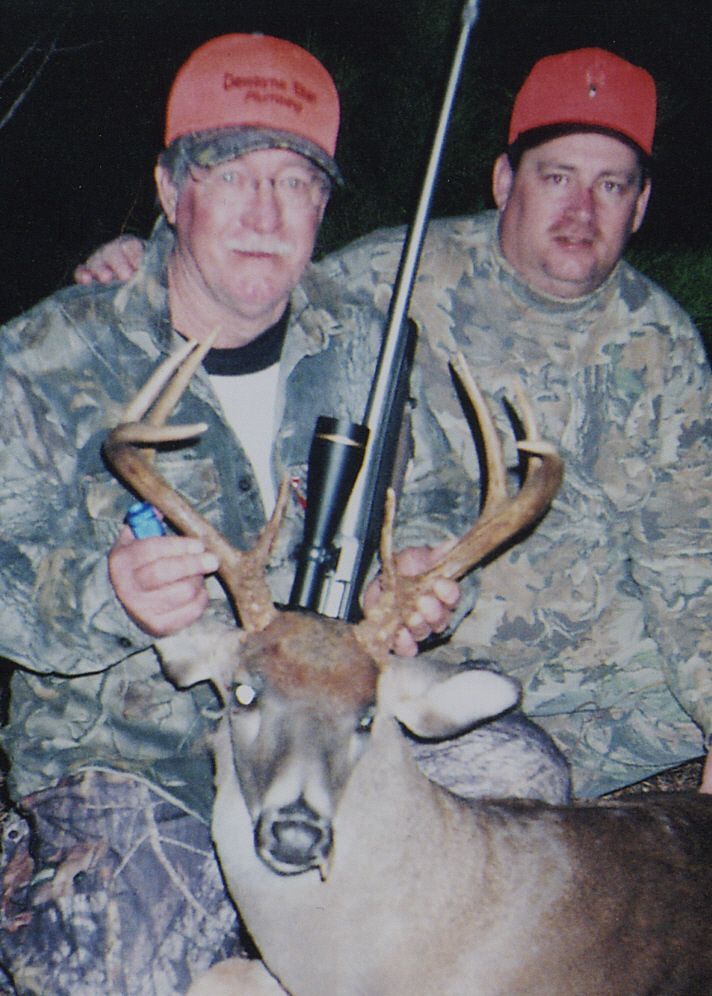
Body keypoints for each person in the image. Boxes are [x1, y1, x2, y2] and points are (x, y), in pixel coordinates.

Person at [0, 32, 533, 995]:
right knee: (117, 969)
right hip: (135, 758)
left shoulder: (368, 345)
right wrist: (105, 595)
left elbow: (443, 505)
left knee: (520, 785)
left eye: (294, 183)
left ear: (323, 208)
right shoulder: (42, 360)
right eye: (232, 175)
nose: (264, 212)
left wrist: (424, 574)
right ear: (171, 190)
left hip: (334, 728)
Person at [84, 48, 711, 797]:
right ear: (504, 181)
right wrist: (146, 262)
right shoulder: (389, 276)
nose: (581, 211)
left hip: (584, 683)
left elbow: (688, 559)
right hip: (399, 663)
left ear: (639, 204)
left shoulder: (662, 344)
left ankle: (538, 793)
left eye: (611, 185)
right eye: (556, 177)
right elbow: (245, 284)